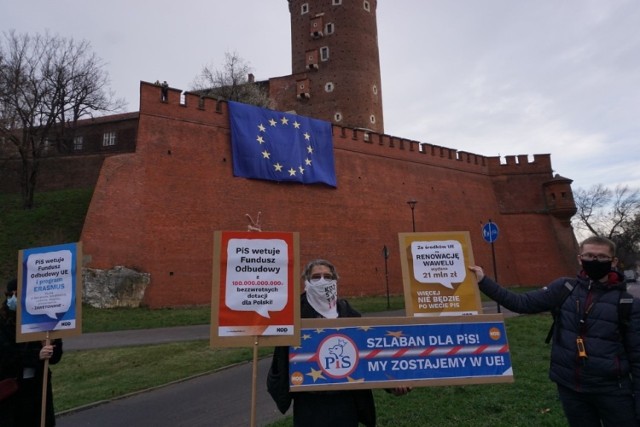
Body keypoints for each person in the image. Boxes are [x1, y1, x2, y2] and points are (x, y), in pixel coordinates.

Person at [468, 236, 640, 427]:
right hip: (571, 387)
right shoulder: (564, 288)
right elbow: (521, 303)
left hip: (613, 390)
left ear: (613, 261)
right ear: (580, 258)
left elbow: (637, 356)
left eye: (601, 257)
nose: (595, 261)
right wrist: (483, 281)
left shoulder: (628, 303)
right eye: (589, 255)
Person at [267, 259, 408, 427]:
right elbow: (280, 362)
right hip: (310, 404)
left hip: (345, 402)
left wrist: (392, 383)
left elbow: (370, 355)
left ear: (335, 280)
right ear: (306, 281)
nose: (322, 281)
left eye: (327, 276)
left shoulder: (350, 316)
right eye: (316, 277)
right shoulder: (293, 316)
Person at [0, 278, 63, 427]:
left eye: (18, 294)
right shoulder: (2, 323)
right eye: (10, 295)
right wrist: (36, 355)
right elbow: (6, 355)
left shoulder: (44, 320)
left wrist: (50, 348)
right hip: (12, 389)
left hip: (37, 388)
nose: (14, 299)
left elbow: (55, 357)